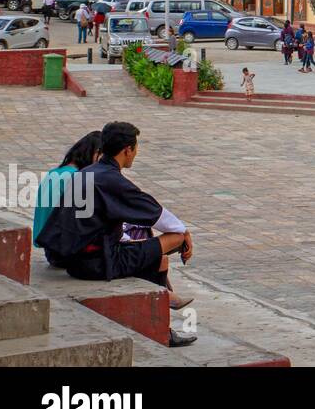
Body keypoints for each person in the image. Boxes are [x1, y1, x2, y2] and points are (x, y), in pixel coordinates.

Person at [35, 122, 197, 346]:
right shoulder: (111, 180)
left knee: (158, 259)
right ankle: (162, 327)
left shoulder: (86, 173)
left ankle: (164, 321)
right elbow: (154, 212)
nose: (136, 153)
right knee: (174, 239)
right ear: (127, 150)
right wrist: (185, 234)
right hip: (98, 263)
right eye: (136, 148)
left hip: (75, 259)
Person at [33, 131, 104, 259]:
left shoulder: (53, 173)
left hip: (50, 249)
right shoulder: (77, 178)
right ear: (96, 153)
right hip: (65, 250)